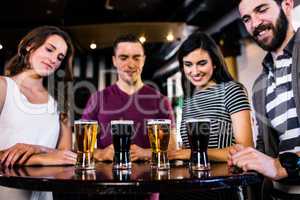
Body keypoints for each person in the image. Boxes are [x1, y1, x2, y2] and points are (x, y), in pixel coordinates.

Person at [228, 0, 300, 198]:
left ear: (287, 5)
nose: (255, 23)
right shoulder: (261, 83)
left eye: (261, 10)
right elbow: (266, 148)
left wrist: (282, 166)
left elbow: (276, 165)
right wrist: (247, 157)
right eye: (247, 18)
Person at [0, 26, 77, 200]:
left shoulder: (60, 103)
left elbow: (66, 157)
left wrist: (38, 149)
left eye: (59, 58)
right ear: (30, 46)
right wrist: (41, 158)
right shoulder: (3, 87)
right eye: (49, 49)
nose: (53, 60)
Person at [82, 34, 175, 162]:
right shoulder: (97, 99)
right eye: (124, 58)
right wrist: (102, 154)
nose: (130, 64)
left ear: (143, 60)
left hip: (150, 179)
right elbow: (82, 147)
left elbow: (172, 148)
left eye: (136, 58)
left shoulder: (161, 101)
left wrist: (145, 153)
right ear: (114, 60)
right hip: (107, 179)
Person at [168, 31, 253, 162]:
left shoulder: (231, 90)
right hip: (195, 178)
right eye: (188, 64)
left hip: (227, 179)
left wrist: (193, 153)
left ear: (214, 62)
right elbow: (187, 150)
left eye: (202, 63)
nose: (195, 71)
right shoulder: (188, 100)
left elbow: (246, 149)